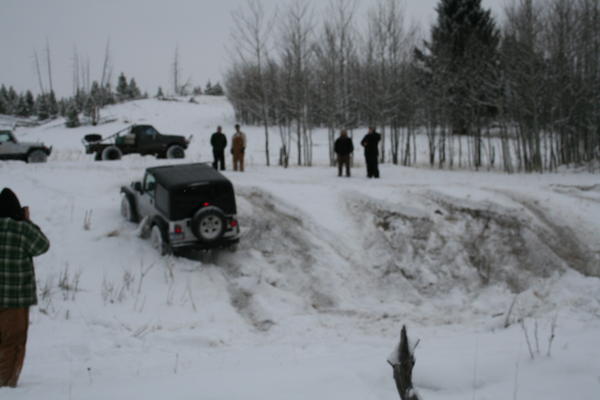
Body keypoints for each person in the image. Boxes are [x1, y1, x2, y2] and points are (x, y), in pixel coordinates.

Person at [0, 188, 49, 388]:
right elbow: (43, 246)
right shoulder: (21, 229)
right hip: (15, 299)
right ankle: (6, 386)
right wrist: (26, 221)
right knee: (12, 342)